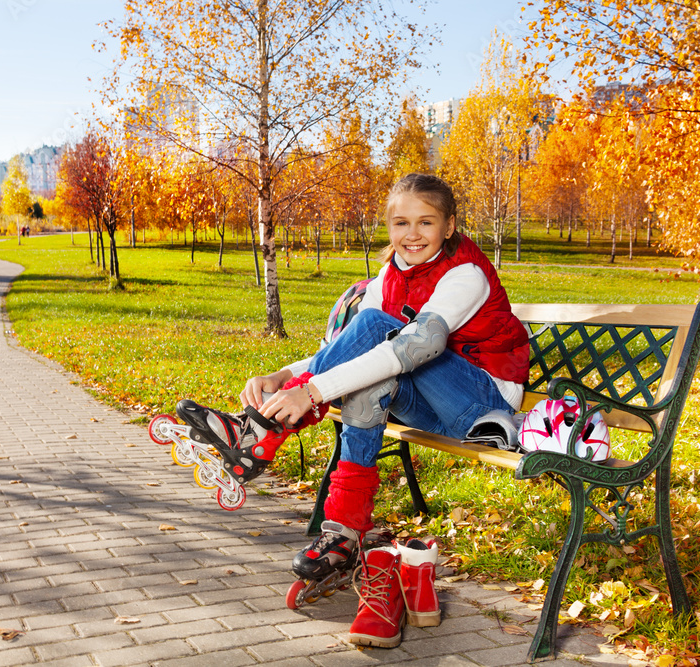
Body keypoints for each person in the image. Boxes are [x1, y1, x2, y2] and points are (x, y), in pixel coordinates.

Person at [177, 173, 529, 648]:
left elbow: (420, 345)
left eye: (426, 222)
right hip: (432, 396)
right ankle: (344, 533)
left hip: (482, 406)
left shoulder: (464, 273)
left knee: (375, 329)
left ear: (449, 226)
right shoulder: (393, 273)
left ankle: (258, 434)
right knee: (371, 374)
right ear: (388, 227)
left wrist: (311, 392)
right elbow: (367, 352)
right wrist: (287, 376)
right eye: (401, 222)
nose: (412, 234)